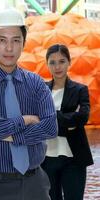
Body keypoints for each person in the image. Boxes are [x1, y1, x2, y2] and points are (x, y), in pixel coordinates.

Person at [0, 8, 57, 200]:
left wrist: (5, 133)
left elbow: (50, 128)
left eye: (16, 40)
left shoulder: (36, 83)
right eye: (2, 40)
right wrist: (25, 120)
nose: (9, 48)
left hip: (35, 185)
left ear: (24, 43)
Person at [41, 44, 93, 200]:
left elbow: (83, 117)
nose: (57, 67)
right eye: (52, 62)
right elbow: (36, 118)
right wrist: (68, 121)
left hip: (74, 157)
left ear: (69, 62)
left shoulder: (80, 90)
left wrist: (51, 118)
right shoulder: (41, 90)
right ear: (47, 64)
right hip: (46, 157)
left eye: (62, 61)